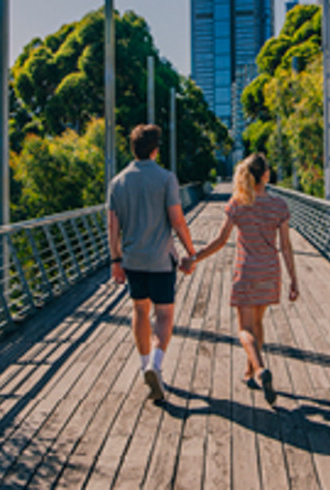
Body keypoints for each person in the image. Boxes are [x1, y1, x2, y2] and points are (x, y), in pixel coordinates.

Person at [180, 153, 298, 405]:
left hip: (246, 271)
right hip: (270, 271)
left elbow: (221, 241)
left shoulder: (238, 203)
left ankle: (259, 369)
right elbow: (286, 247)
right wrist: (294, 280)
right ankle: (250, 372)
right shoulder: (279, 206)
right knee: (258, 323)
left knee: (245, 329)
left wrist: (194, 257)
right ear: (265, 175)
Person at [107, 124, 197, 402]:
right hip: (160, 259)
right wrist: (190, 251)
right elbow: (177, 220)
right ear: (156, 150)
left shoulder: (118, 182)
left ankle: (144, 362)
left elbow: (113, 226)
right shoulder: (166, 178)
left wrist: (115, 260)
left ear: (133, 149)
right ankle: (155, 365)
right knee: (165, 314)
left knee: (139, 311)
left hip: (132, 260)